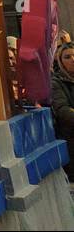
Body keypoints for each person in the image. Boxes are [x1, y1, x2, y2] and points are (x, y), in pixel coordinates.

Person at [50, 44, 74, 178]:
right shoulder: (56, 82)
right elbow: (63, 110)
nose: (73, 59)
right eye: (67, 57)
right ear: (60, 61)